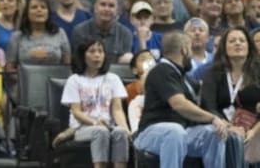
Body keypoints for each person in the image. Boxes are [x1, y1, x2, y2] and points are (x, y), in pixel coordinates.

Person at [134, 32, 238, 168]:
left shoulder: (185, 78)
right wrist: (213, 118)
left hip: (183, 132)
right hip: (150, 133)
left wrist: (223, 123)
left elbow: (200, 107)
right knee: (174, 131)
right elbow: (179, 104)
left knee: (214, 132)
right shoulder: (161, 70)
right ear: (184, 50)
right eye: (190, 49)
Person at [61, 40, 130, 168]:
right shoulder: (74, 80)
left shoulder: (113, 78)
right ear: (83, 55)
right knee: (100, 131)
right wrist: (94, 122)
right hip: (82, 128)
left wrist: (126, 129)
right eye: (92, 51)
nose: (97, 55)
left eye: (100, 51)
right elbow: (76, 112)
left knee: (120, 132)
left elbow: (117, 110)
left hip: (108, 126)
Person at [200, 27, 260, 164]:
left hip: (255, 127)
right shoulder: (213, 73)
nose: (237, 43)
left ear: (249, 46)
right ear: (224, 47)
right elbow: (208, 105)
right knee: (232, 138)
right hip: (222, 125)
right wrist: (228, 126)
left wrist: (254, 132)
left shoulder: (258, 72)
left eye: (242, 40)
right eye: (232, 41)